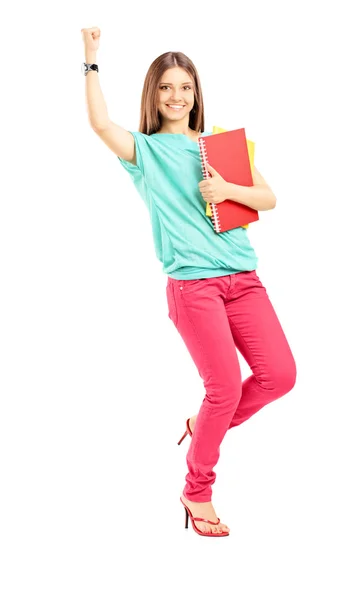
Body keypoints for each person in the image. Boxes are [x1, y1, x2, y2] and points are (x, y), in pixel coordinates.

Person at [81, 26, 297, 537]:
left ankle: (205, 428)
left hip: (245, 279)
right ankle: (197, 490)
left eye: (185, 87)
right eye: (165, 87)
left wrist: (226, 185)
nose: (176, 96)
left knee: (280, 376)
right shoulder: (145, 152)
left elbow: (268, 199)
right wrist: (91, 59)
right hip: (193, 288)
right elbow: (98, 123)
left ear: (196, 92)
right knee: (221, 387)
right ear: (153, 95)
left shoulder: (221, 145)